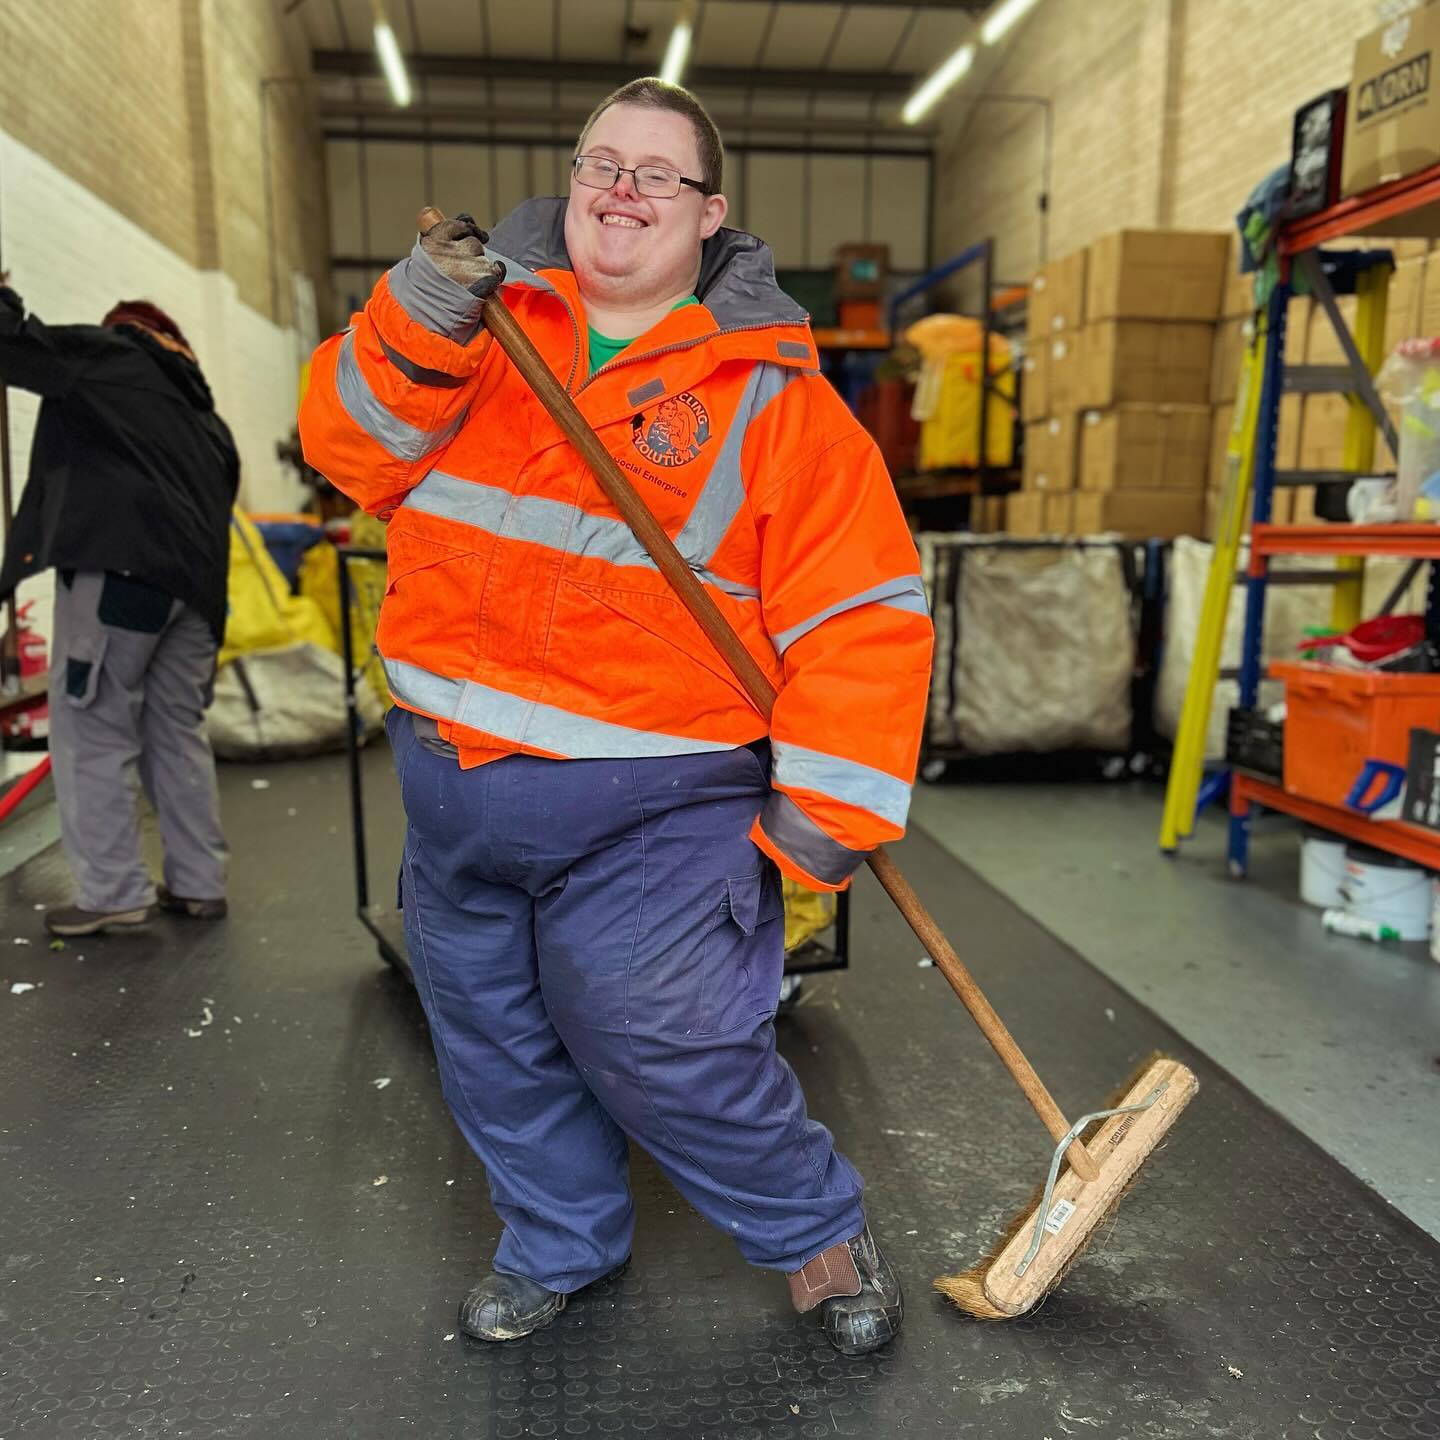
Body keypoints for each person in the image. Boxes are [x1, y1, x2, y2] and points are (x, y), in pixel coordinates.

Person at [299, 78, 932, 1356]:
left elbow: (863, 617)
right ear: (572, 184)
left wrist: (825, 820)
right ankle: (559, 1241)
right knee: (491, 1046)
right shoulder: (474, 335)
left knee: (665, 1041)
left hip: (655, 801)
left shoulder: (779, 404)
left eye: (658, 173)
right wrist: (413, 318)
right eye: (602, 163)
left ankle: (817, 1230)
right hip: (452, 782)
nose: (623, 188)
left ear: (712, 217)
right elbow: (349, 450)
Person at [0, 283, 237, 937]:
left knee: (92, 729)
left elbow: (21, 348)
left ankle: (111, 893)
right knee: (177, 736)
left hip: (121, 580)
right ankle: (198, 884)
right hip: (196, 601)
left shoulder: (112, 355)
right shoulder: (204, 420)